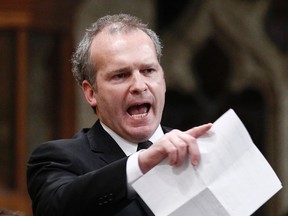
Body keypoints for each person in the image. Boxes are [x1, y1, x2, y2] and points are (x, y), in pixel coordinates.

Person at [26, 14, 212, 216]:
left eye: (148, 70)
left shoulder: (201, 152)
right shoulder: (58, 159)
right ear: (91, 93)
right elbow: (54, 209)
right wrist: (142, 162)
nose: (139, 86)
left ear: (164, 81)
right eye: (120, 75)